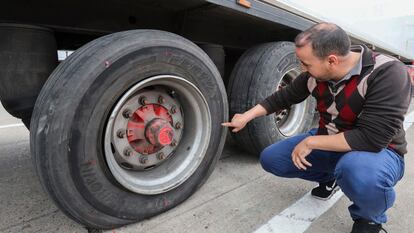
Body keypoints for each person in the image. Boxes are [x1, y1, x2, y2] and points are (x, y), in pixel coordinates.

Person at [222, 22, 412, 233]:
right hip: (331, 142)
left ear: (332, 60)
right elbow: (282, 98)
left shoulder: (387, 72)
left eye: (306, 64)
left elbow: (372, 139)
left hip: (380, 152)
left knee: (357, 171)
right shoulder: (315, 76)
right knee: (271, 159)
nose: (302, 69)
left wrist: (311, 141)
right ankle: (332, 178)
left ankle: (369, 218)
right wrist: (246, 117)